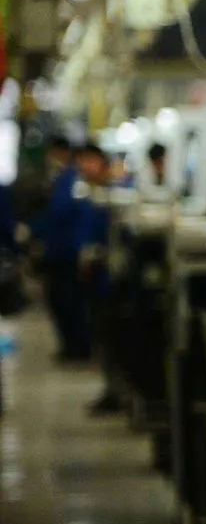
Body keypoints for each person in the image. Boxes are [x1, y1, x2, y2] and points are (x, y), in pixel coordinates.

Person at [33, 143, 111, 364]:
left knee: (76, 304)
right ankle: (74, 347)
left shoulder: (97, 186)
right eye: (84, 160)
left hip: (77, 255)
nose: (89, 165)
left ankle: (80, 347)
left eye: (93, 160)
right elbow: (58, 214)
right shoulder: (72, 183)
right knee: (65, 302)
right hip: (63, 253)